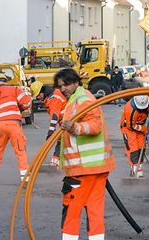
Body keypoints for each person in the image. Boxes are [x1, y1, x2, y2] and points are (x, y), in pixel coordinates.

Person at [54, 68, 116, 240]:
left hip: (83, 169)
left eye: (66, 84)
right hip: (95, 167)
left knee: (71, 209)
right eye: (61, 86)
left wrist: (74, 128)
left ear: (76, 82)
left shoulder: (82, 99)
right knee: (94, 210)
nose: (63, 89)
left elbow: (95, 126)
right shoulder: (78, 98)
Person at [0, 73, 32, 187]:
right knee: (20, 151)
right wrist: (21, 107)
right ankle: (25, 179)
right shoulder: (14, 89)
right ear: (6, 81)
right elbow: (26, 103)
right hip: (14, 125)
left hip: (0, 126)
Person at [31, 81, 67, 167]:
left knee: (61, 140)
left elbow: (54, 117)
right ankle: (56, 162)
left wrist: (51, 131)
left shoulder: (53, 99)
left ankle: (55, 163)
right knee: (62, 140)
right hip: (67, 120)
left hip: (69, 120)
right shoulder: (53, 95)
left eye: (38, 95)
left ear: (42, 92)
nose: (38, 98)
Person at [120, 95, 149, 177]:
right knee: (133, 149)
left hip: (140, 126)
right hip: (128, 128)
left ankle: (139, 167)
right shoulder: (129, 110)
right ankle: (135, 169)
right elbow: (131, 126)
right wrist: (143, 129)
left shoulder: (147, 101)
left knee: (141, 147)